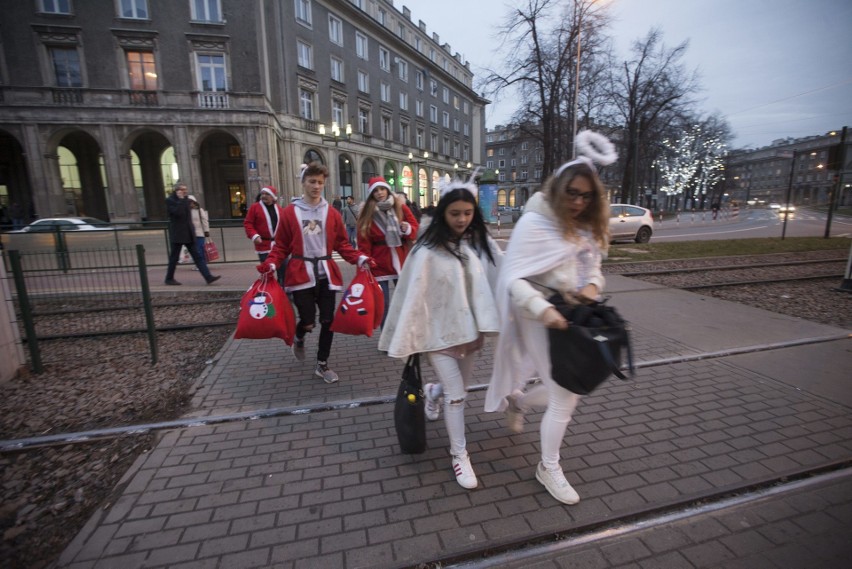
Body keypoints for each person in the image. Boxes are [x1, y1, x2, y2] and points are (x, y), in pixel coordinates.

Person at [484, 133, 614, 505]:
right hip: (537, 315)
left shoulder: (586, 226)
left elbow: (594, 269)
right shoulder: (534, 223)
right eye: (572, 192)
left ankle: (520, 403)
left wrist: (591, 286)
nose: (578, 201)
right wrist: (545, 310)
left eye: (586, 196)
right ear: (557, 188)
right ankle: (548, 466)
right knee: (566, 393)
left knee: (570, 391)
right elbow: (513, 280)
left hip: (575, 316)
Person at [378, 177, 501, 490]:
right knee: (457, 395)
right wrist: (411, 336)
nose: (462, 219)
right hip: (438, 338)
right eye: (455, 213)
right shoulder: (425, 251)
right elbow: (412, 296)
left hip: (469, 336)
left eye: (468, 213)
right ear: (444, 213)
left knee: (455, 390)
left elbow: (494, 276)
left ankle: (433, 394)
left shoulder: (474, 245)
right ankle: (459, 455)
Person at [258, 163, 374, 384]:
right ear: (303, 183)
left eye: (320, 182)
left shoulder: (331, 212)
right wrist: (272, 263)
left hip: (326, 273)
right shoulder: (290, 212)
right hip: (300, 275)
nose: (316, 186)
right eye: (312, 181)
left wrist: (359, 258)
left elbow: (342, 244)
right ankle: (300, 335)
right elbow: (281, 245)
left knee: (329, 320)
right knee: (309, 321)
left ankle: (322, 364)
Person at [356, 177, 419, 327]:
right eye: (376, 191)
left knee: (405, 299)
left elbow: (415, 227)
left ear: (387, 189)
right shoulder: (367, 212)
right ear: (371, 194)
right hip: (378, 262)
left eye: (382, 189)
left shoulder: (400, 207)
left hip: (400, 259)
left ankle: (405, 332)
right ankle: (386, 336)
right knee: (382, 302)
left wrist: (407, 228)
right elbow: (363, 239)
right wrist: (365, 261)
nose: (379, 193)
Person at [164, 182, 221, 285]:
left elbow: (196, 208)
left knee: (198, 256)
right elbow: (178, 213)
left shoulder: (186, 200)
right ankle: (169, 278)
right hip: (178, 234)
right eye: (182, 189)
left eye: (185, 189)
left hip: (189, 234)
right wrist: (181, 200)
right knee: (174, 258)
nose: (185, 191)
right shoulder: (170, 200)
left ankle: (208, 277)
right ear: (177, 191)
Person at [244, 186, 286, 284]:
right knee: (267, 270)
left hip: (279, 246)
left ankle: (283, 290)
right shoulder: (255, 208)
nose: (264, 196)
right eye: (262, 194)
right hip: (263, 244)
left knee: (283, 268)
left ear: (272, 196)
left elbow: (284, 225)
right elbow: (248, 223)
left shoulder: (279, 209)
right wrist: (254, 235)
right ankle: (268, 290)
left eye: (267, 194)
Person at [187, 195, 213, 273]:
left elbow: (205, 221)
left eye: (190, 202)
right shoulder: (187, 211)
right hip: (191, 234)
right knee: (195, 250)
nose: (189, 204)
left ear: (194, 202)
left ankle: (202, 265)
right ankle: (198, 264)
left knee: (200, 249)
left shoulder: (199, 210)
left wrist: (206, 231)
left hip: (199, 233)